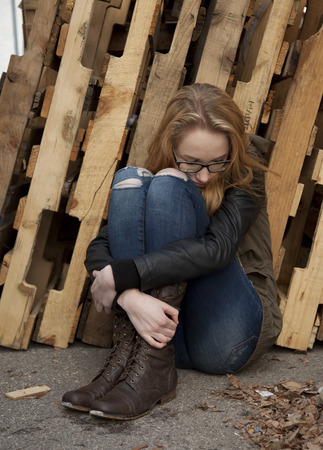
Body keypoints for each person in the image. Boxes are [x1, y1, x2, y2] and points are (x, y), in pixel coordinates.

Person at [62, 83, 282, 420]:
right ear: (172, 146)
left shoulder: (245, 172)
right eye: (192, 163)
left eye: (217, 163)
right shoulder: (165, 167)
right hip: (163, 328)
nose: (205, 177)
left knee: (165, 186)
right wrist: (129, 297)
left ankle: (150, 365)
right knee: (131, 181)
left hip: (228, 335)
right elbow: (100, 246)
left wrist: (121, 279)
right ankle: (134, 362)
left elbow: (217, 250)